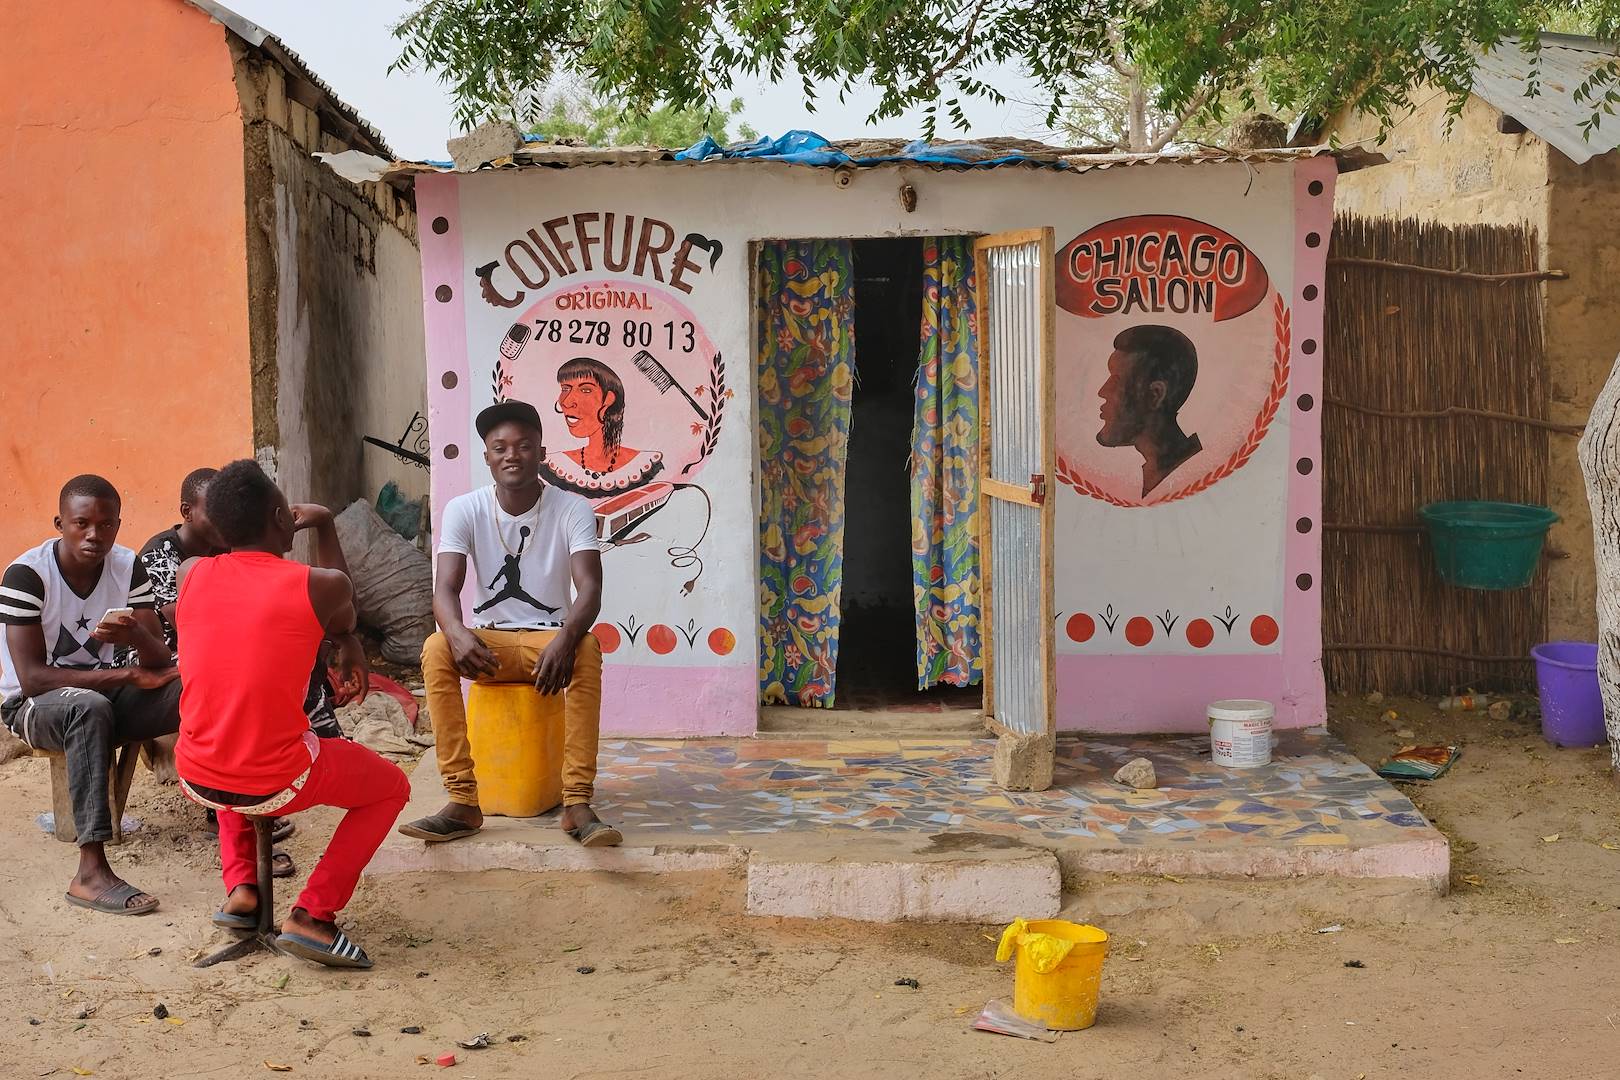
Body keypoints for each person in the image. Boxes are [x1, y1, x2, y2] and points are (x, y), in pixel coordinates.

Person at [174, 460, 407, 969]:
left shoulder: (190, 573)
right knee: (391, 788)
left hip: (195, 771)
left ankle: (242, 889)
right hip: (274, 777)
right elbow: (344, 610)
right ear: (283, 518)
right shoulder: (315, 585)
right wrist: (323, 523)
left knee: (233, 728)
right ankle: (313, 915)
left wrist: (344, 642)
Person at [401, 399, 621, 847]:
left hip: (549, 646)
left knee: (587, 647)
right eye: (499, 447)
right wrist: (457, 634)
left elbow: (590, 588)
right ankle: (463, 800)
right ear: (487, 457)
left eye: (523, 445)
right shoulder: (465, 509)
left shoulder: (572, 508)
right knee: (436, 647)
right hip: (489, 648)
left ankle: (576, 803)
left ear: (541, 453)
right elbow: (445, 589)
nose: (511, 455)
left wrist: (565, 639)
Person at [0, 475, 181, 915]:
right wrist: (127, 675)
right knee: (88, 706)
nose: (94, 535)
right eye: (81, 523)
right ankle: (90, 872)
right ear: (60, 523)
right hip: (31, 706)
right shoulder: (27, 575)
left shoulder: (127, 565)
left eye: (106, 524)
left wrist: (136, 633)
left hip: (103, 696)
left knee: (193, 686)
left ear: (118, 524)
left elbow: (157, 659)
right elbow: (33, 679)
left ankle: (232, 816)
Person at [1095, 324, 1203, 497]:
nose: (1103, 391)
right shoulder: (1165, 471)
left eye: (1116, 380)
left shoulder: (1188, 473)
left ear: (1155, 395)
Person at [539, 356, 664, 496]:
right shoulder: (552, 465)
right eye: (565, 388)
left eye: (585, 390)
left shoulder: (646, 464)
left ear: (608, 400)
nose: (567, 402)